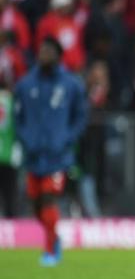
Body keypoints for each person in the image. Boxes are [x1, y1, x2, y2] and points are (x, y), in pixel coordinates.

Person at [14, 37, 88, 266]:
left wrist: (67, 138)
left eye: (48, 51)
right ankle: (54, 238)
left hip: (58, 156)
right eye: (41, 51)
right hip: (34, 155)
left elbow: (81, 116)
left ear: (58, 54)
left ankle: (49, 251)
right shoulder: (25, 85)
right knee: (36, 203)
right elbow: (18, 118)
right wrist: (26, 139)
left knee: (48, 199)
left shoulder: (71, 84)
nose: (44, 55)